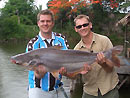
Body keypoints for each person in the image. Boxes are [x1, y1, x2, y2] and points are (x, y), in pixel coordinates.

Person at [71, 14, 119, 98]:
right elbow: (74, 74)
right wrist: (79, 71)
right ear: (76, 29)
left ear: (90, 25)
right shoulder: (76, 50)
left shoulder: (104, 40)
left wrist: (103, 63)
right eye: (79, 26)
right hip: (90, 92)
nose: (82, 28)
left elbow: (111, 68)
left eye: (85, 25)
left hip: (109, 90)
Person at [26, 9, 69, 98]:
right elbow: (34, 72)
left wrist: (67, 71)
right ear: (38, 23)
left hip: (57, 87)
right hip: (37, 89)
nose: (45, 24)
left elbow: (68, 59)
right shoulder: (32, 44)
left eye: (48, 21)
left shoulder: (61, 39)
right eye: (42, 21)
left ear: (53, 23)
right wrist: (40, 73)